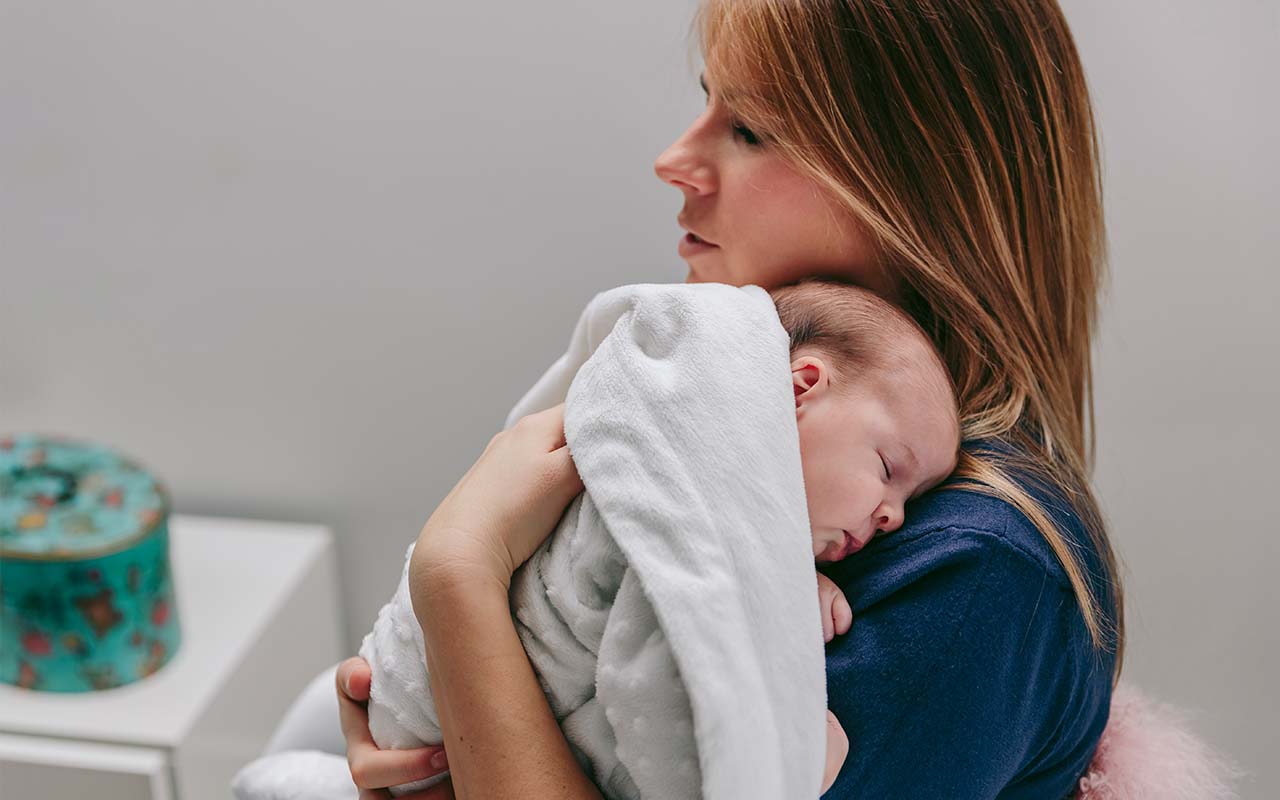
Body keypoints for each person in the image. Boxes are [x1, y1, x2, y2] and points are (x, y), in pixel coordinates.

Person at [335, 1, 1123, 797]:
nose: (674, 159)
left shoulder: (980, 577)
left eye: (749, 130)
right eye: (708, 100)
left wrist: (457, 576)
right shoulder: (745, 425)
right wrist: (429, 707)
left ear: (911, 184)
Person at [351, 279, 960, 798]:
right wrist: (788, 755)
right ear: (801, 387)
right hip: (426, 728)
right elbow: (661, 698)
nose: (895, 519)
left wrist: (787, 584)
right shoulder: (663, 502)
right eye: (887, 470)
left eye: (911, 499)